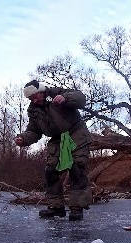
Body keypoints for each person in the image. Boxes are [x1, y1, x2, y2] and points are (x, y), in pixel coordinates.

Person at [15, 80, 92, 221]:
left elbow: (81, 98)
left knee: (77, 169)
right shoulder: (33, 110)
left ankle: (77, 208)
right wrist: (23, 138)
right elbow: (34, 131)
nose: (33, 100)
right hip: (57, 139)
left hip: (76, 133)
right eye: (30, 98)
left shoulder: (56, 92)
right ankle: (56, 207)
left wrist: (66, 98)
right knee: (50, 171)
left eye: (35, 96)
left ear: (41, 91)